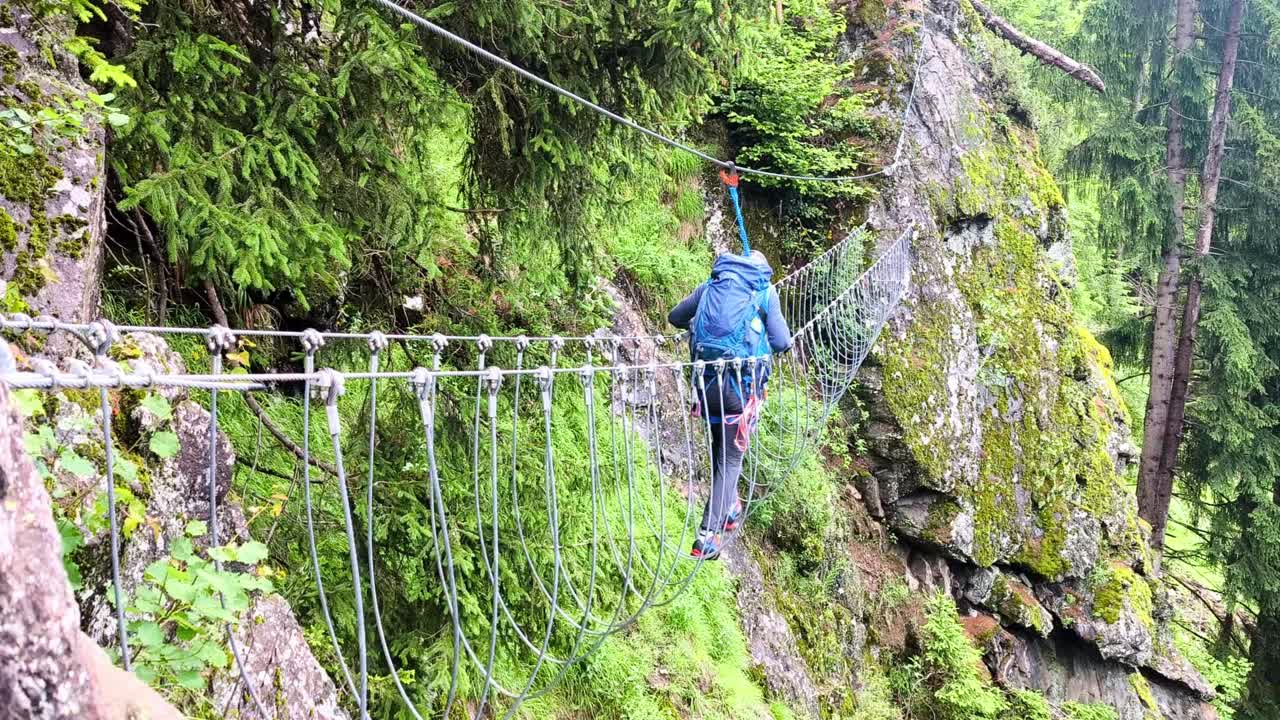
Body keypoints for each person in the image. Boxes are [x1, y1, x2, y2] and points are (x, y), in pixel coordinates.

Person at [668, 249, 792, 560]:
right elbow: (782, 342)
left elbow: (675, 317)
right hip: (739, 390)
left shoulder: (710, 286)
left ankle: (729, 507)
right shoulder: (764, 292)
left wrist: (702, 333)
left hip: (706, 387)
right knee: (731, 460)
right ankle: (706, 535)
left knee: (720, 452)